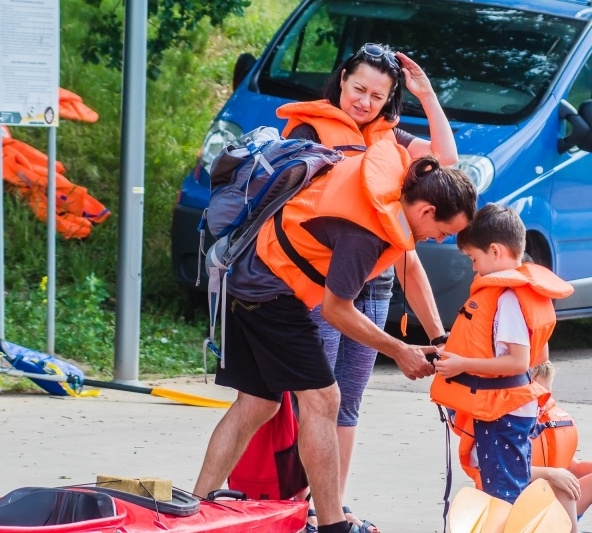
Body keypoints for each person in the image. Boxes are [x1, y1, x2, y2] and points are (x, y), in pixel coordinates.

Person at [193, 148, 477, 533]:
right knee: (324, 399)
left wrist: (437, 337)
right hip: (269, 293)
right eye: (444, 232)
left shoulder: (392, 192)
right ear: (426, 210)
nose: (440, 240)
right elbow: (336, 309)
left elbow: (444, 151)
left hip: (245, 276)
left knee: (257, 403)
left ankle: (195, 509)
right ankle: (332, 525)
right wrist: (399, 349)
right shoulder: (365, 232)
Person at [276, 42, 456, 527]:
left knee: (347, 401)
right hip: (320, 281)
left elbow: (447, 168)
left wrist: (428, 97)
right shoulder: (310, 131)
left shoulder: (390, 142)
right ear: (341, 80)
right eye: (358, 89)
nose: (365, 102)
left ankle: (329, 508)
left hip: (373, 286)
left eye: (378, 96)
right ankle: (297, 504)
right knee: (316, 398)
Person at [430, 204, 574, 503]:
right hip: (507, 409)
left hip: (503, 413)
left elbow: (518, 362)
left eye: (474, 258)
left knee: (502, 497)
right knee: (505, 492)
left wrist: (461, 364)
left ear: (495, 251)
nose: (473, 268)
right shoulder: (517, 292)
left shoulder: (508, 298)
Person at [529, 360, 592, 533]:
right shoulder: (507, 423)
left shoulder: (546, 420)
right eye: (537, 395)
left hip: (554, 506)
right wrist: (550, 473)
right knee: (561, 483)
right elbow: (504, 472)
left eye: (547, 395)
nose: (543, 403)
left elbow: (574, 466)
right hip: (518, 510)